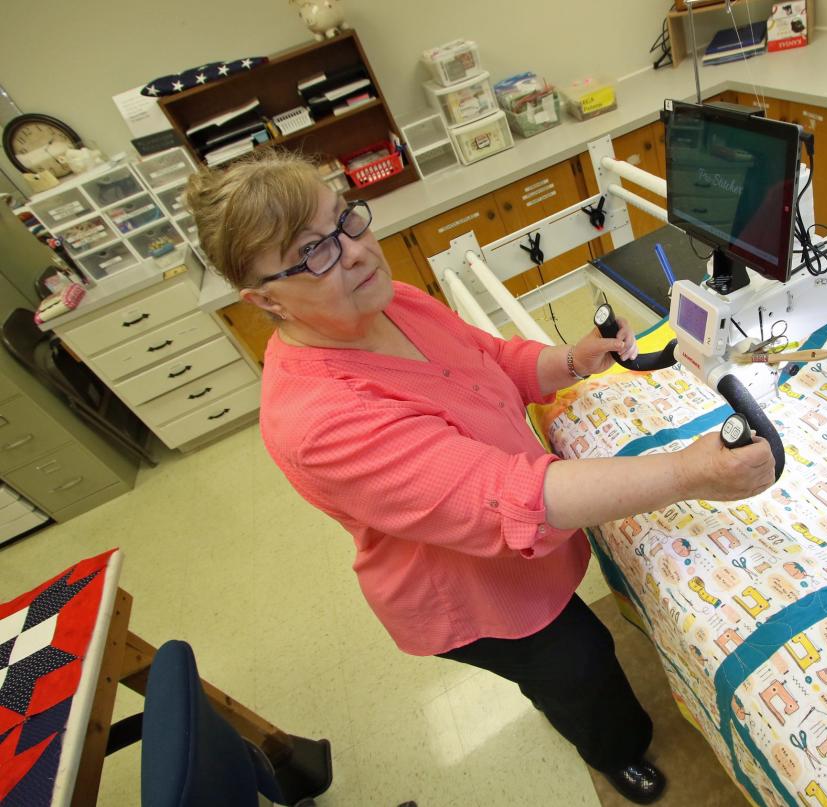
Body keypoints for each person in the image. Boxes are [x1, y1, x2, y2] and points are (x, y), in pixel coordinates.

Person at [185, 149, 775, 804]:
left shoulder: (385, 301)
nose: (354, 251)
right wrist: (692, 470)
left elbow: (488, 356)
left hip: (523, 545)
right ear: (265, 299)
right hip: (472, 592)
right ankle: (617, 750)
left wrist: (569, 359)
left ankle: (577, 707)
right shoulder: (318, 420)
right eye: (314, 253)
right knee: (578, 663)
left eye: (346, 222)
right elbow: (508, 500)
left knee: (572, 650)